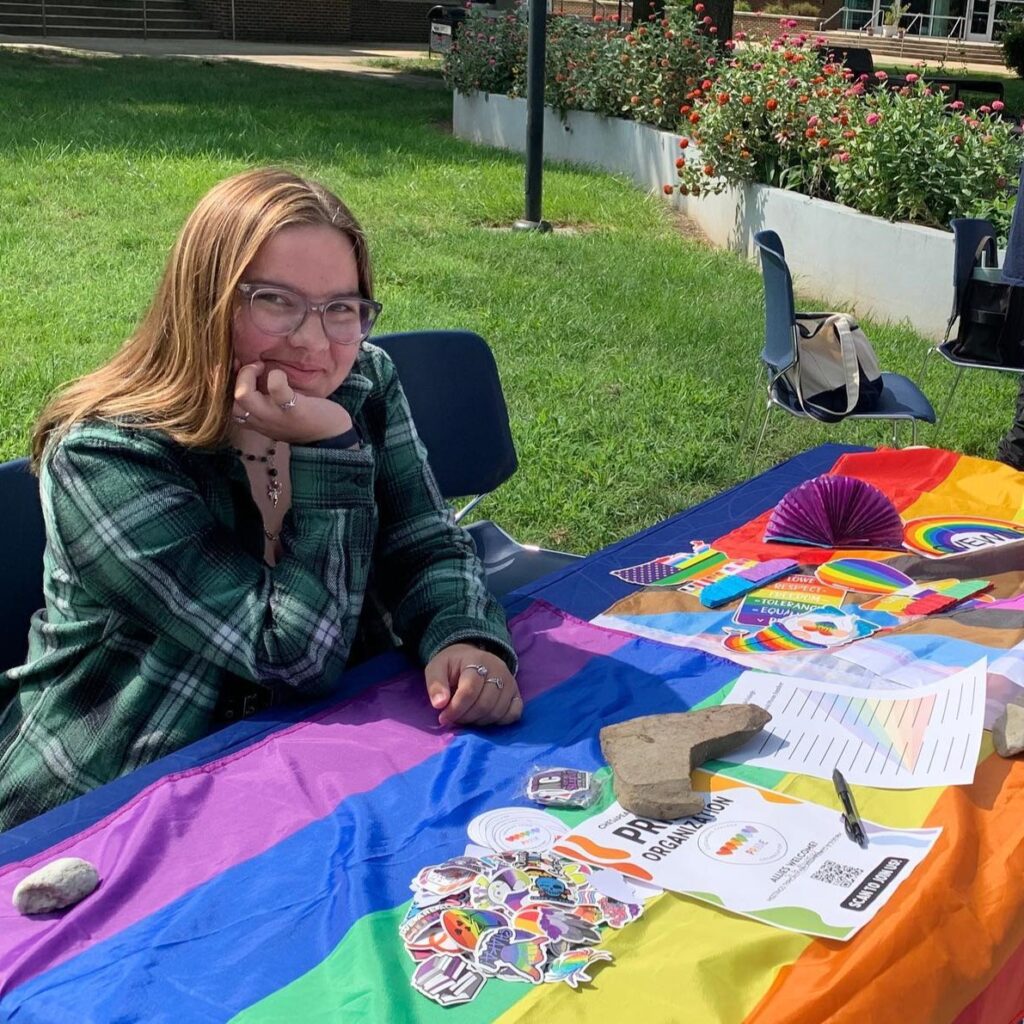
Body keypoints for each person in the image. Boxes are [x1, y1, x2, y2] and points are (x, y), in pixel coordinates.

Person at [0, 168, 521, 833]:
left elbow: (424, 542)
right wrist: (329, 449)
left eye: (343, 307)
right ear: (206, 301)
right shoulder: (106, 454)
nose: (314, 339)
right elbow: (291, 654)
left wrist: (464, 633)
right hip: (121, 794)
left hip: (317, 750)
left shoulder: (364, 379)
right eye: (276, 301)